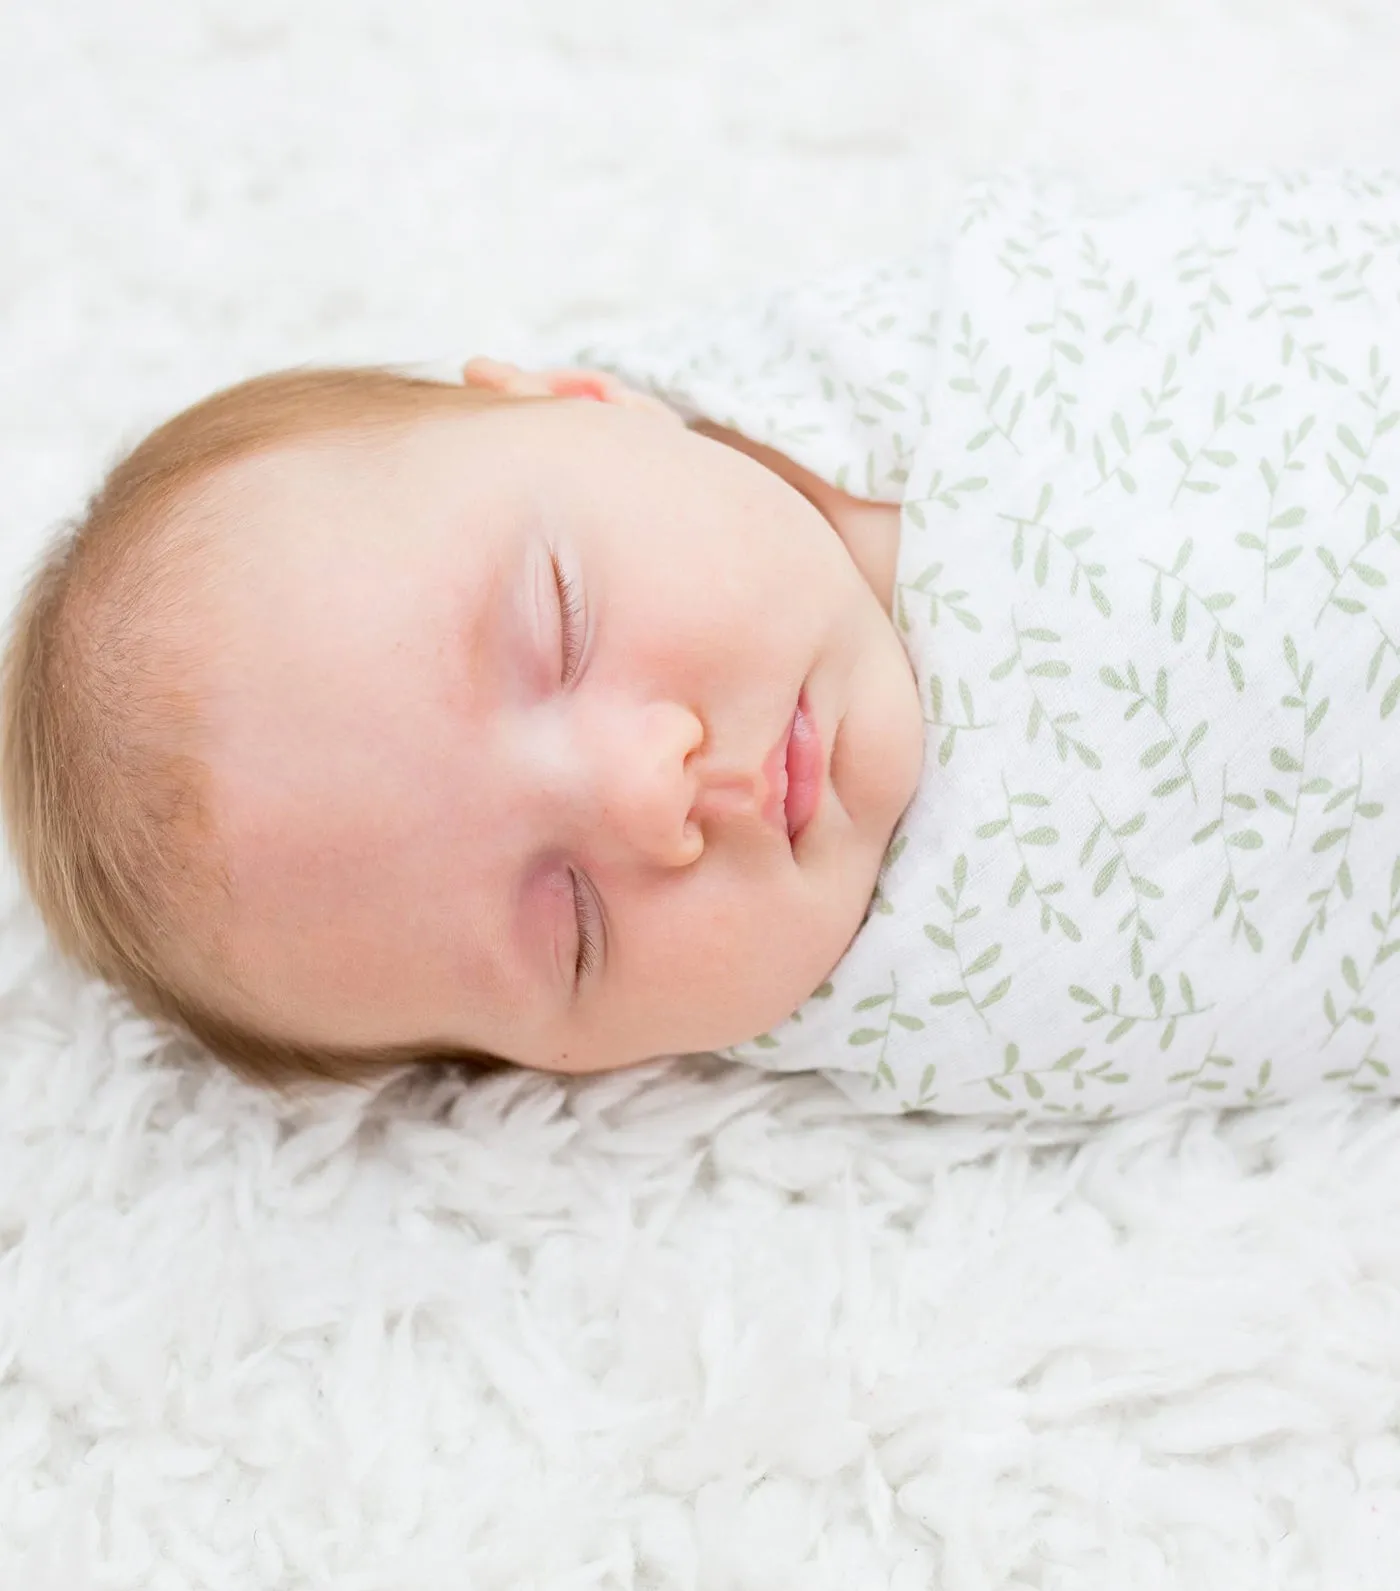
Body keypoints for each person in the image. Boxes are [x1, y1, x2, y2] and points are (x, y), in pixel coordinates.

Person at [8, 169, 1400, 1116]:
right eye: (573, 927)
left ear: (582, 399)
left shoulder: (927, 356)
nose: (649, 793)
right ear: (572, 1071)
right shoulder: (905, 1003)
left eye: (560, 627)